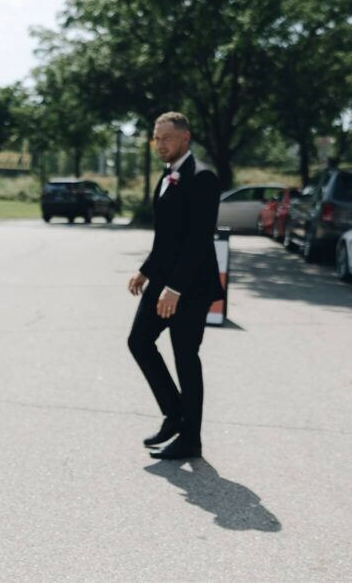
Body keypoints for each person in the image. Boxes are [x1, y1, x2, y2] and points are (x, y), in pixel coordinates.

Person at [127, 112, 224, 460]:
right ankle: (174, 414)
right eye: (156, 138)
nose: (159, 144)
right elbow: (166, 237)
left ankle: (190, 440)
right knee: (138, 342)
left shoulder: (203, 177)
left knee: (185, 357)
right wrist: (145, 270)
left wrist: (176, 289)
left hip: (190, 287)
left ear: (186, 137)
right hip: (163, 280)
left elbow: (198, 240)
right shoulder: (168, 176)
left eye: (165, 138)